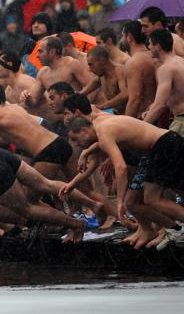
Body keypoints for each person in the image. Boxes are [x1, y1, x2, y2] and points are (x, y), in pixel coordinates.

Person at [66, 115, 184, 249]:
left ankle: (175, 229)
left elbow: (121, 168)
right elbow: (106, 141)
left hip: (163, 145)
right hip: (168, 142)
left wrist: (119, 201)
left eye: (75, 139)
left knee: (152, 199)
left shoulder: (103, 134)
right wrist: (86, 152)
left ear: (83, 130)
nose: (76, 144)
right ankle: (173, 228)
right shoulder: (99, 122)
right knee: (135, 202)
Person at [22, 36, 92, 108]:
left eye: (40, 51)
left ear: (52, 52)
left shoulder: (72, 64)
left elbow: (92, 86)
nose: (37, 56)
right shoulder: (42, 73)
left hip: (79, 113)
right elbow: (33, 101)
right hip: (61, 116)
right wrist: (26, 97)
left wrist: (85, 107)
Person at [143, 29, 184, 135]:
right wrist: (151, 110)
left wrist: (140, 127)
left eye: (150, 44)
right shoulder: (181, 61)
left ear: (158, 46)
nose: (149, 47)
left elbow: (160, 105)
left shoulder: (165, 69)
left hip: (182, 122)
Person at [122, 20, 157, 118]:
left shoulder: (133, 63)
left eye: (123, 35)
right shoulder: (154, 56)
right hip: (157, 114)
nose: (122, 39)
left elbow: (135, 99)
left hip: (143, 117)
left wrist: (126, 124)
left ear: (129, 37)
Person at [81, 45, 128, 114]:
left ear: (102, 61)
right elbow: (83, 93)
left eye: (91, 64)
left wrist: (101, 106)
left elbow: (125, 94)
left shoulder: (119, 71)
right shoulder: (100, 77)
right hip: (116, 114)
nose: (90, 69)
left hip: (132, 116)